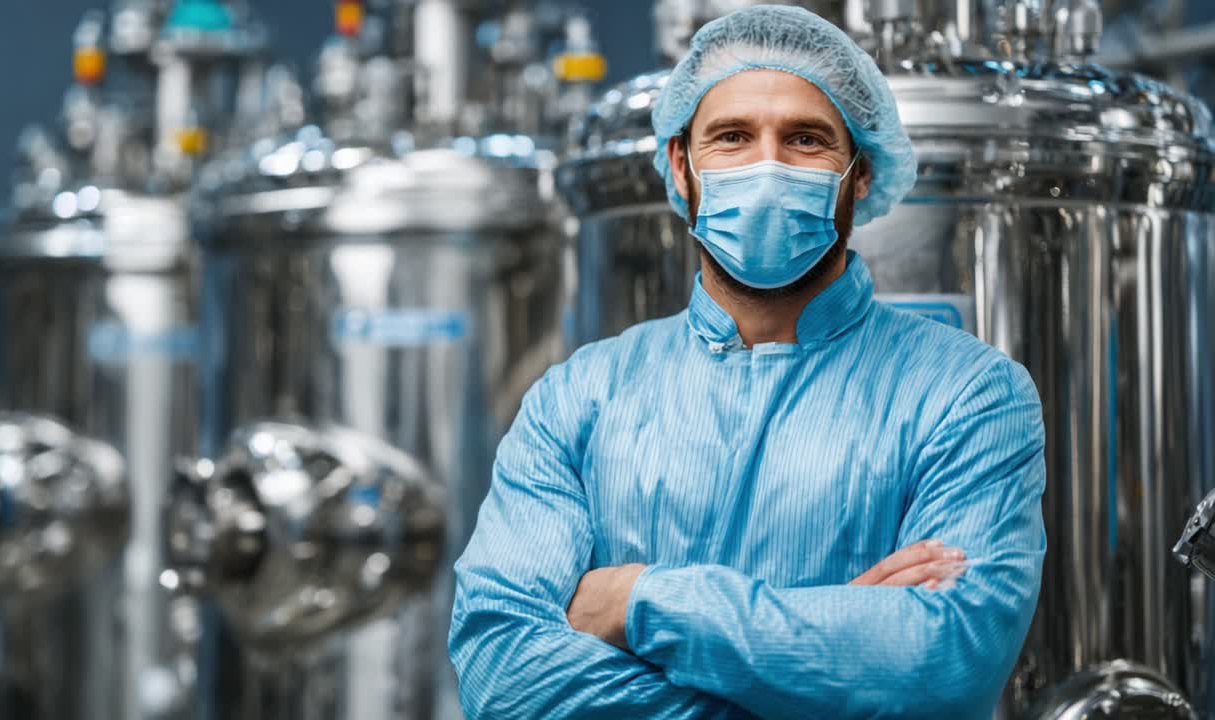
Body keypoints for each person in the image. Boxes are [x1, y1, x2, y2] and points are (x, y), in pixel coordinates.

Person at [447, 5, 1045, 718]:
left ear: (860, 173)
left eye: (806, 139)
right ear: (681, 165)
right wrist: (827, 662)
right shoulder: (579, 399)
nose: (767, 167)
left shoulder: (969, 395)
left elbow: (944, 664)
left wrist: (637, 600)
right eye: (732, 137)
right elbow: (503, 679)